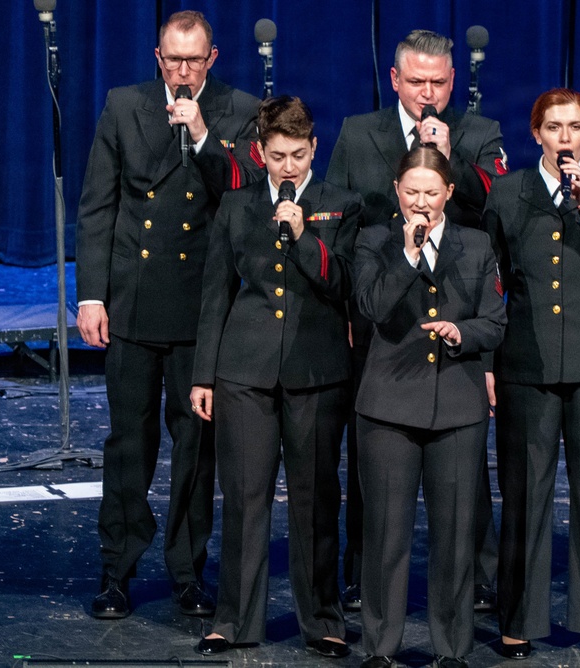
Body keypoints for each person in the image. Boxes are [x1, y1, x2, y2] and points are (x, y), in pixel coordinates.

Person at [75, 10, 264, 620]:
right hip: (133, 300)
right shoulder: (124, 105)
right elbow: (98, 204)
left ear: (213, 58)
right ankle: (117, 569)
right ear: (158, 58)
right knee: (128, 445)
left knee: (196, 448)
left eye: (194, 61)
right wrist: (91, 294)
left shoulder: (239, 109)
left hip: (201, 306)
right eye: (173, 60)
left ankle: (188, 569)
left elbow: (245, 192)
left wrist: (204, 135)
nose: (183, 72)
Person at [327, 29, 506, 613]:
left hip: (457, 318)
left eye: (438, 82)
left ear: (453, 82)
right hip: (382, 316)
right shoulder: (360, 132)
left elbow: (496, 213)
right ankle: (364, 574)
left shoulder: (478, 133)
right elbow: (342, 224)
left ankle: (479, 576)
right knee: (374, 454)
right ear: (395, 79)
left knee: (463, 459)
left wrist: (453, 160)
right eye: (416, 81)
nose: (427, 93)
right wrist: (346, 308)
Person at [189, 96, 361, 658]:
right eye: (279, 156)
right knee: (244, 496)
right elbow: (216, 292)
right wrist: (204, 375)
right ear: (260, 153)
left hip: (316, 369)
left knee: (316, 499)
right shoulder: (236, 205)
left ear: (315, 149)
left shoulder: (341, 203)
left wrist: (304, 235)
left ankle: (324, 620)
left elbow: (344, 285)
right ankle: (234, 620)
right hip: (245, 369)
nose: (290, 167)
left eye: (300, 155)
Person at [483, 89, 580, 660]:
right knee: (525, 492)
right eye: (554, 127)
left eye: (575, 127)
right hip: (527, 363)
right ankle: (519, 618)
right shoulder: (509, 193)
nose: (565, 137)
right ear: (537, 135)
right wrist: (488, 361)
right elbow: (492, 280)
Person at [352, 146, 507, 668]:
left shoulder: (476, 244)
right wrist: (408, 256)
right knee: (385, 533)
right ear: (397, 191)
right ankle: (381, 646)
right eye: (412, 192)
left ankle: (452, 648)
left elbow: (495, 322)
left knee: (456, 535)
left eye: (431, 193)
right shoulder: (374, 241)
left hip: (457, 405)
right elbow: (372, 306)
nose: (421, 203)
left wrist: (462, 332)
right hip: (389, 404)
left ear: (449, 193)